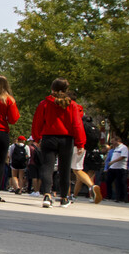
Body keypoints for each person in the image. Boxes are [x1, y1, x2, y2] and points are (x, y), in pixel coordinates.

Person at [31, 78, 88, 208]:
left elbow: (38, 121)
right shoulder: (72, 105)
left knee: (47, 167)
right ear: (66, 90)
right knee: (64, 168)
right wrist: (80, 143)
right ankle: (63, 197)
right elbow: (77, 124)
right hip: (66, 139)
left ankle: (47, 195)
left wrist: (36, 138)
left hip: (48, 137)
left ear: (52, 89)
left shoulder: (45, 103)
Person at [105, 134, 129, 203]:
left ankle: (123, 197)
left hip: (121, 168)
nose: (112, 144)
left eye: (113, 142)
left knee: (121, 182)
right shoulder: (115, 148)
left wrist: (113, 161)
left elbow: (123, 157)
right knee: (108, 181)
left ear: (118, 141)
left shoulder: (123, 148)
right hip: (113, 167)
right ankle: (109, 195)